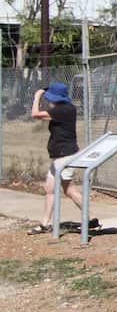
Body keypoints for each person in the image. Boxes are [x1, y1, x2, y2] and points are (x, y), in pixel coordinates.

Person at [28, 82, 84, 235]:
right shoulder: (66, 108)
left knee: (69, 190)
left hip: (65, 156)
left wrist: (37, 96)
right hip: (60, 156)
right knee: (51, 189)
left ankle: (91, 218)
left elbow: (35, 114)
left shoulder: (62, 111)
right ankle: (45, 224)